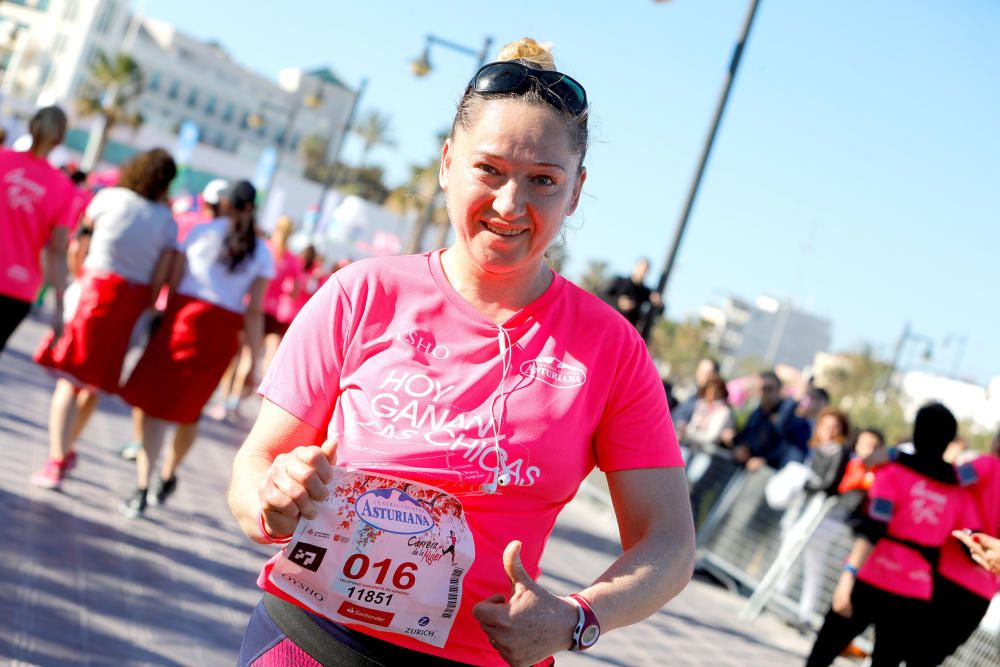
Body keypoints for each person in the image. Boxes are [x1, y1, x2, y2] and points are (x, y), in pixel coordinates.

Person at [228, 38, 695, 667]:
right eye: (490, 170)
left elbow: (668, 543)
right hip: (313, 638)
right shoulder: (361, 293)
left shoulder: (611, 350)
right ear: (447, 163)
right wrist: (273, 496)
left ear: (576, 192)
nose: (510, 204)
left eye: (543, 181)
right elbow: (257, 464)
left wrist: (579, 618)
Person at [118, 180, 274, 517]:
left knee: (154, 408)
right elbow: (254, 310)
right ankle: (168, 474)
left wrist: (159, 313)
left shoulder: (201, 232)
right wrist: (253, 359)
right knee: (190, 412)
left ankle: (144, 485)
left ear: (224, 203)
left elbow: (172, 281)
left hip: (183, 321)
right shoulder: (261, 251)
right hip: (219, 335)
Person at [30, 149, 179, 489]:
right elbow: (161, 275)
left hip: (94, 289)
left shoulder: (108, 199)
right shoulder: (166, 221)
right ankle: (65, 450)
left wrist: (77, 277)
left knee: (70, 378)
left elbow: (77, 246)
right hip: (131, 303)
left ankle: (56, 458)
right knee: (95, 384)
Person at [804, 403, 976, 667]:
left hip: (870, 576)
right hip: (914, 592)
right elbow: (966, 537)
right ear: (949, 441)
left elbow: (873, 527)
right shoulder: (958, 491)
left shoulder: (893, 473)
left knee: (822, 654)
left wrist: (848, 575)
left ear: (915, 433)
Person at [920, 427, 1000, 664]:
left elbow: (953, 477)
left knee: (910, 647)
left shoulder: (988, 464)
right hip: (981, 590)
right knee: (930, 659)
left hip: (946, 573)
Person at [0, 106, 74, 355]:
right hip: (18, 288)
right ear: (61, 139)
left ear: (31, 126)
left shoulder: (2, 160)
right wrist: (60, 308)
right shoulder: (63, 187)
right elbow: (58, 251)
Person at [776, 408, 850, 630]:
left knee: (813, 565)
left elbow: (829, 484)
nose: (829, 431)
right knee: (790, 555)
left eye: (834, 427)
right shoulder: (816, 449)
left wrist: (807, 483)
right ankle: (779, 594)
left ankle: (805, 612)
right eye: (826, 425)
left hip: (822, 518)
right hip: (803, 510)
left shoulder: (839, 452)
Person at [732, 371, 808, 471]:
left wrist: (764, 460)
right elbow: (746, 436)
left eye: (768, 389)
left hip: (771, 472)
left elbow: (787, 447)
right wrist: (741, 447)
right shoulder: (756, 414)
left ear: (779, 390)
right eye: (760, 389)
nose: (763, 393)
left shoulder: (787, 414)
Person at [671, 357, 720, 428]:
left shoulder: (712, 401)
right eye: (700, 371)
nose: (702, 375)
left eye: (707, 373)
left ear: (715, 376)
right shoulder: (694, 391)